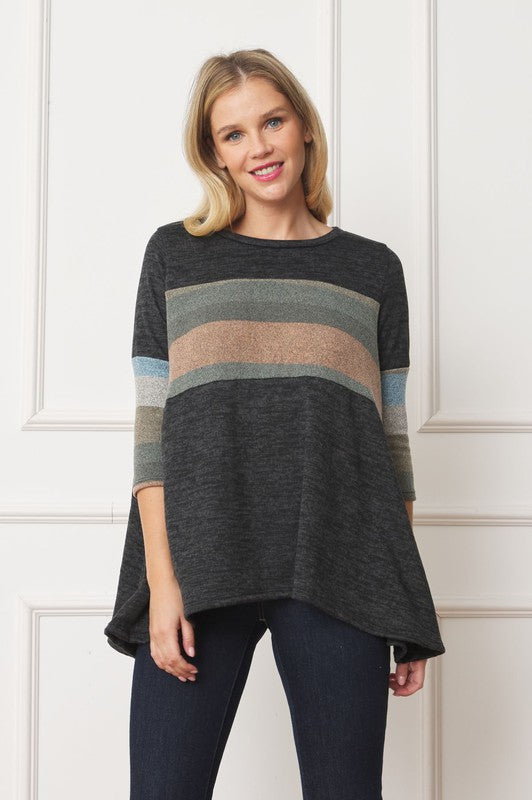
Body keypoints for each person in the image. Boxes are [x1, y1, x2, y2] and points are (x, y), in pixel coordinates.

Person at [104, 48, 445, 799]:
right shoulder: (175, 255)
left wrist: (404, 600)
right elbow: (152, 435)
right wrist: (163, 583)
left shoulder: (372, 270)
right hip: (199, 565)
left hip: (341, 566)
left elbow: (389, 447)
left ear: (304, 128)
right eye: (233, 134)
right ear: (214, 154)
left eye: (272, 122)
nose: (258, 147)